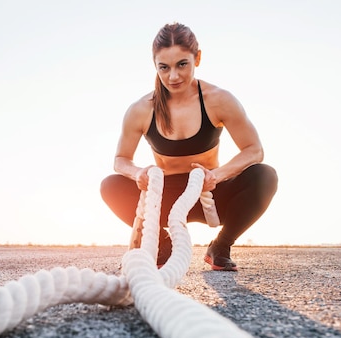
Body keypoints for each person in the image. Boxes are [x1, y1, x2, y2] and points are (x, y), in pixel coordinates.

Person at [100, 22, 278, 271]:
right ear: (155, 65)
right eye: (164, 67)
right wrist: (137, 173)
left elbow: (254, 149)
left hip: (212, 195)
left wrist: (215, 176)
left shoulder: (219, 99)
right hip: (166, 198)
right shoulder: (141, 109)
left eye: (182, 64)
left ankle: (221, 246)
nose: (173, 76)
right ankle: (163, 244)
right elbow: (120, 159)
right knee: (110, 185)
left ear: (198, 58)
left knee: (265, 175)